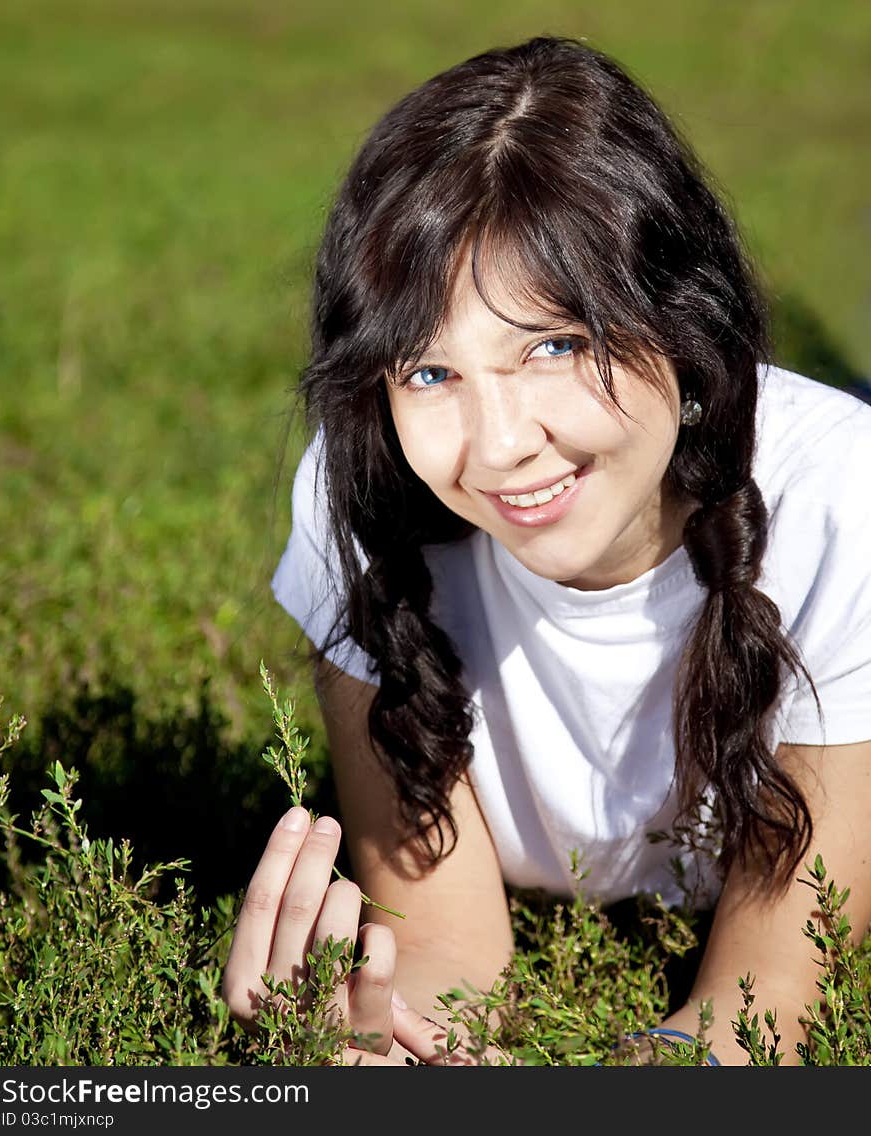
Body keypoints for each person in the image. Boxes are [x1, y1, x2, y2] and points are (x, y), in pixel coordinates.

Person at [222, 35, 871, 1066]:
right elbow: (441, 947)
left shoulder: (844, 503)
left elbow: (765, 999)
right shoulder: (364, 491)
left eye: (554, 346)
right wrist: (399, 1040)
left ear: (683, 317)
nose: (499, 445)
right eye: (429, 373)